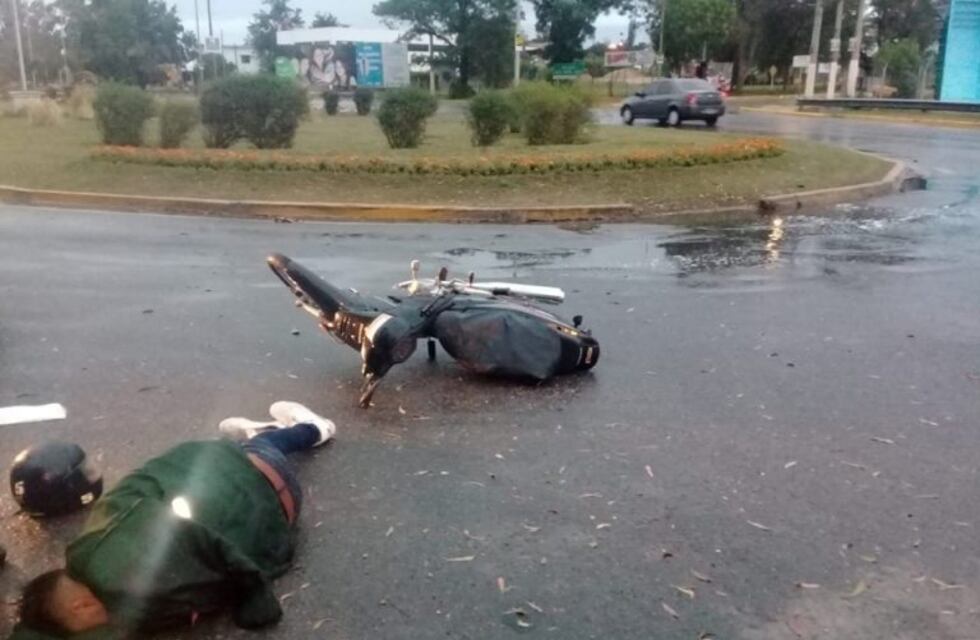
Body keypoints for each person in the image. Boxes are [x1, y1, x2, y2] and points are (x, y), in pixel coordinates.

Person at [12, 402, 336, 639]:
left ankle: (310, 427)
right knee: (218, 461)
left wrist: (256, 606)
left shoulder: (138, 607)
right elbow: (150, 475)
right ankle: (282, 434)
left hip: (281, 507)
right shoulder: (103, 524)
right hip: (251, 470)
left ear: (81, 607)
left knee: (249, 455)